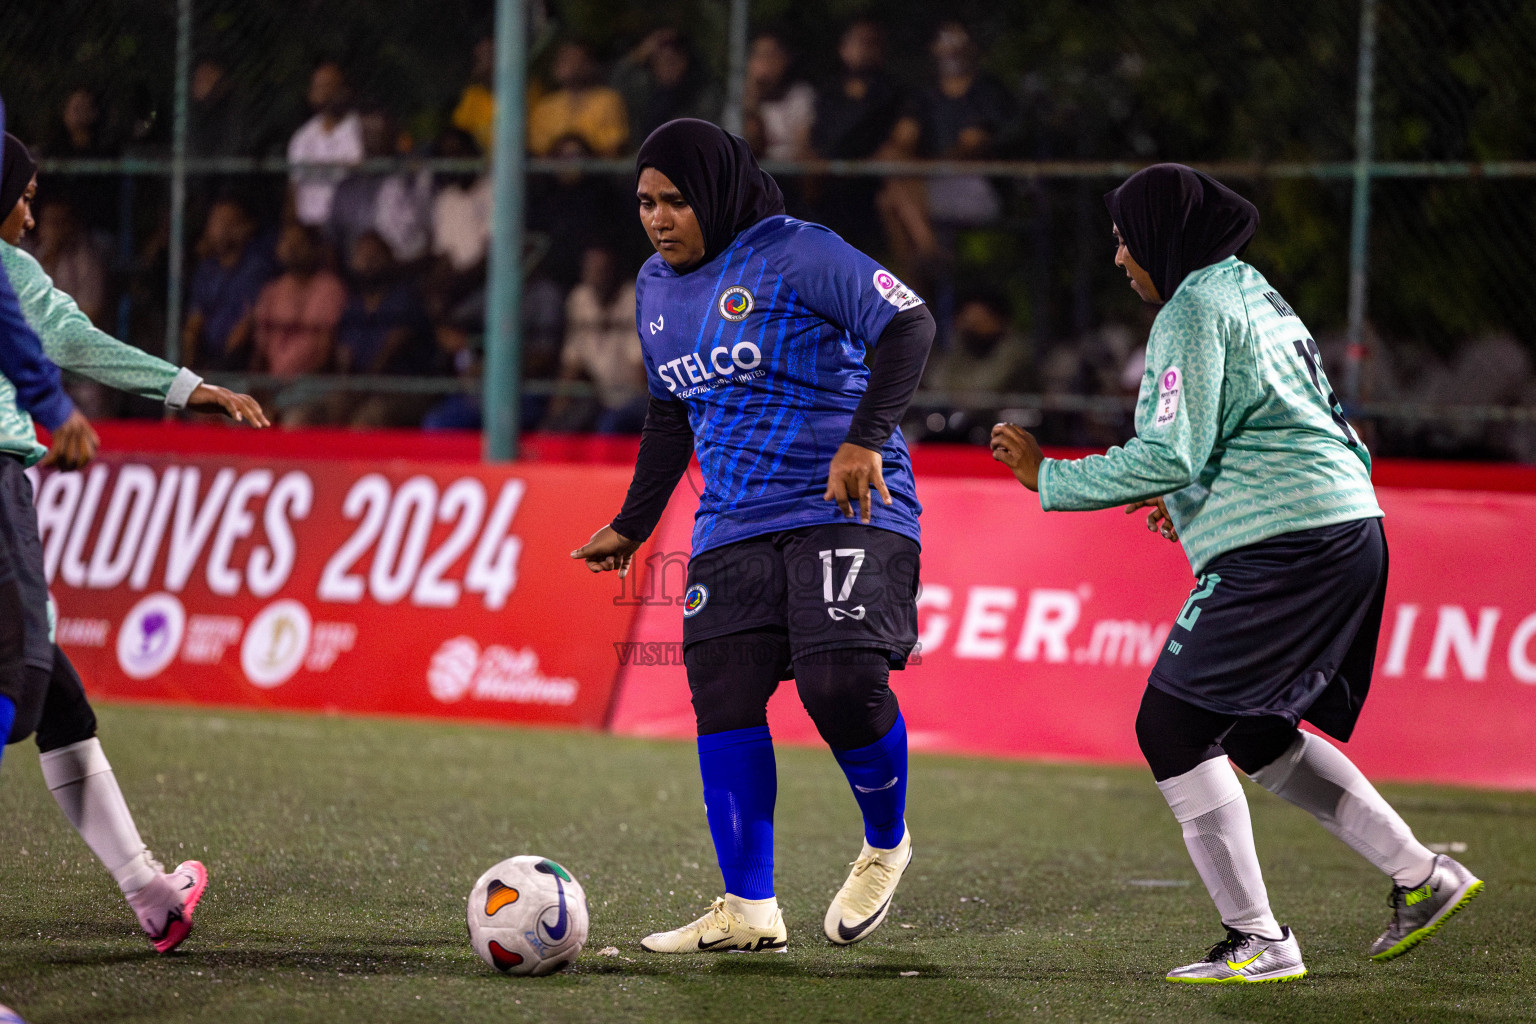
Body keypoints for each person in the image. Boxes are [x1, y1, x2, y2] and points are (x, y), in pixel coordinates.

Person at [988, 163, 1484, 983]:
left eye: (1123, 239)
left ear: (1161, 238)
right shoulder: (1250, 290)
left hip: (1289, 544)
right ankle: (1423, 878)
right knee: (1252, 729)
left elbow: (1170, 450)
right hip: (1343, 526)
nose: (1119, 258)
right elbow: (1254, 427)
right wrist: (1194, 494)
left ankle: (1259, 940)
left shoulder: (1192, 307)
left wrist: (1049, 476)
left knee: (1172, 727)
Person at [571, 119, 935, 953]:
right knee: (724, 695)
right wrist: (634, 522)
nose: (659, 220)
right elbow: (671, 413)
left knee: (839, 684)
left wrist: (865, 439)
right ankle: (749, 908)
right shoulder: (655, 287)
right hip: (733, 522)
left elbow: (908, 326)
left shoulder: (797, 251)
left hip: (846, 503)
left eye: (676, 201)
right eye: (645, 204)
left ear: (720, 193)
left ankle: (886, 844)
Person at [0, 124, 270, 954]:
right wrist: (188, 388)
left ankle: (151, 893)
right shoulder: (5, 270)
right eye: (24, 197)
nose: (32, 219)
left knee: (59, 699)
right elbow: (73, 340)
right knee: (21, 676)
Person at [545, 243, 645, 433]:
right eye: (592, 269)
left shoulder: (634, 297)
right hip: (597, 396)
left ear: (615, 271)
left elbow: (641, 370)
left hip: (635, 396)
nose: (597, 275)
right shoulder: (580, 298)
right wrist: (556, 408)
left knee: (609, 424)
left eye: (603, 269)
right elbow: (572, 363)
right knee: (561, 423)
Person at [183, 195, 273, 371]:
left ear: (245, 227)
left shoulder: (256, 267)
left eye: (226, 222)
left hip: (241, 357)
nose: (218, 229)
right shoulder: (207, 269)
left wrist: (223, 365)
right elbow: (196, 317)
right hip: (209, 354)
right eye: (215, 222)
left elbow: (249, 321)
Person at [251, 222, 346, 380]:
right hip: (272, 382)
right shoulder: (272, 290)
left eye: (299, 243)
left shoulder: (330, 288)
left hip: (314, 383)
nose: (292, 249)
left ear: (314, 248)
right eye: (287, 243)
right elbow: (260, 350)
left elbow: (327, 352)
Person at [612, 28, 722, 144]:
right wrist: (640, 53)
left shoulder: (701, 94)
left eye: (672, 61)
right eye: (659, 61)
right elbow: (616, 83)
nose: (666, 67)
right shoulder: (646, 90)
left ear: (684, 61)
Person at [287, 61, 363, 227]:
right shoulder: (302, 137)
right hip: (310, 229)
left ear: (345, 90)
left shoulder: (361, 131)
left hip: (350, 226)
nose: (324, 92)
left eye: (330, 86)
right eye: (319, 86)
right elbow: (294, 189)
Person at [527, 41, 630, 158]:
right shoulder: (545, 106)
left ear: (589, 65)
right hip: (552, 174)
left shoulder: (608, 100)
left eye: (575, 58)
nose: (568, 64)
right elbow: (539, 152)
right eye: (564, 59)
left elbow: (613, 149)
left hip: (596, 173)